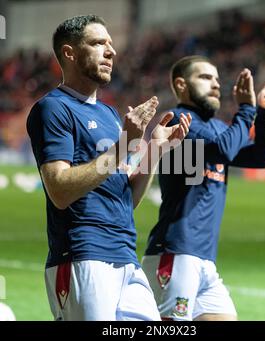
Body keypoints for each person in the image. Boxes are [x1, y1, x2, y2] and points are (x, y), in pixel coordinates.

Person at [26, 15, 191, 321]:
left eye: (111, 44)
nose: (111, 51)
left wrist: (154, 149)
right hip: (82, 256)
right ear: (70, 53)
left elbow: (126, 199)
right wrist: (124, 143)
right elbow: (60, 190)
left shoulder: (110, 114)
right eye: (98, 43)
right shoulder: (53, 108)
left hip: (126, 257)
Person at [142, 55, 265, 321]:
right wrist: (246, 110)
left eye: (218, 79)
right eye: (206, 77)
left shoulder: (217, 128)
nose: (216, 84)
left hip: (204, 258)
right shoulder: (178, 121)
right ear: (181, 85)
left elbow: (261, 157)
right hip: (175, 254)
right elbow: (223, 149)